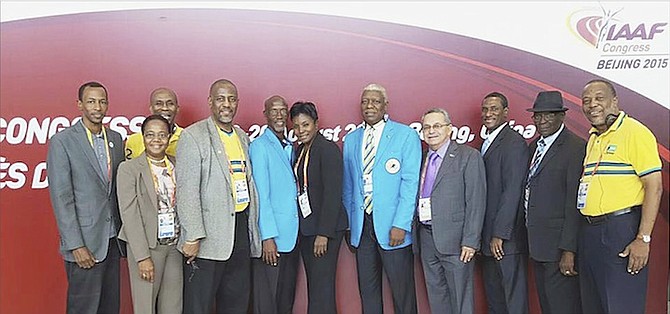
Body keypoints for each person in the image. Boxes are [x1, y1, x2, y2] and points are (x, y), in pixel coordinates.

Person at [176, 79, 262, 314]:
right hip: (207, 239)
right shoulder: (194, 136)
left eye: (232, 99)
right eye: (221, 98)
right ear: (210, 102)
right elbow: (187, 190)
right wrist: (192, 236)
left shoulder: (242, 136)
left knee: (236, 303)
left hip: (240, 233)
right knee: (199, 305)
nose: (227, 104)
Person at [578, 79, 662, 314]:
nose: (592, 105)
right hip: (590, 231)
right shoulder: (594, 138)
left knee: (621, 305)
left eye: (599, 98)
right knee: (594, 305)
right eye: (586, 101)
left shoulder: (635, 132)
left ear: (615, 101)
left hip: (620, 231)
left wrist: (643, 239)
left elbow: (654, 187)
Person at [47, 81, 125, 314]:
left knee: (110, 307)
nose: (97, 107)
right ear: (79, 104)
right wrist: (76, 245)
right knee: (84, 309)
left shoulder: (116, 138)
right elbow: (62, 197)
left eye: (102, 101)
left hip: (112, 242)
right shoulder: (63, 141)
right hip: (84, 244)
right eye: (91, 101)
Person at [343, 83, 421, 314]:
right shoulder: (351, 139)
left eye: (375, 101)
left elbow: (410, 184)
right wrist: (350, 224)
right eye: (365, 101)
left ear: (385, 105)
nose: (370, 106)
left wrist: (401, 224)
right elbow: (348, 186)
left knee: (402, 293)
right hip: (363, 227)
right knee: (368, 293)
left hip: (393, 228)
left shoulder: (405, 135)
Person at [413, 108, 486, 314]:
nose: (431, 131)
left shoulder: (468, 156)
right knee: (437, 297)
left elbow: (476, 202)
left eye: (437, 126)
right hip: (426, 237)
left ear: (449, 129)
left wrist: (471, 241)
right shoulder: (421, 157)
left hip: (456, 241)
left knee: (461, 300)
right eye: (426, 127)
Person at [524, 91, 584, 314]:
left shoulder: (575, 148)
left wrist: (569, 250)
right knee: (547, 305)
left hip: (559, 247)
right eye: (537, 116)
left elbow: (573, 202)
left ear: (562, 116)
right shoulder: (533, 147)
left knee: (563, 306)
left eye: (548, 115)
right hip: (537, 244)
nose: (542, 121)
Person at [117, 114, 183, 314]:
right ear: (143, 137)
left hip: (174, 247)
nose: (156, 140)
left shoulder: (178, 164)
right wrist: (142, 257)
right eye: (150, 135)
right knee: (145, 307)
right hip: (147, 246)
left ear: (170, 137)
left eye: (162, 135)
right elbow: (129, 215)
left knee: (173, 307)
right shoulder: (129, 169)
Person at [289, 101, 348, 313]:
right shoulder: (301, 150)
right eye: (296, 126)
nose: (300, 130)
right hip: (308, 228)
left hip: (325, 231)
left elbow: (333, 194)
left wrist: (323, 234)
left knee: (322, 287)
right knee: (315, 285)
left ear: (316, 123)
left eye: (305, 125)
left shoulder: (327, 149)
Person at [479, 91, 529, 314]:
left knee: (512, 299)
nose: (488, 114)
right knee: (495, 298)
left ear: (506, 113)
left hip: (505, 239)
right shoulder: (488, 141)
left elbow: (513, 190)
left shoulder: (513, 142)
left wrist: (500, 233)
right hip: (488, 237)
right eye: (485, 109)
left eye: (494, 109)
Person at [249, 95, 300, 314]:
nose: (279, 115)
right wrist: (267, 237)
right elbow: (261, 194)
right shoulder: (260, 146)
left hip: (292, 235)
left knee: (285, 299)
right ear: (265, 114)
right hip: (273, 239)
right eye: (274, 110)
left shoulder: (289, 145)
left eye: (282, 111)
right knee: (267, 301)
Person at [125, 87, 182, 159]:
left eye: (170, 104)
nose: (165, 108)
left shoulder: (187, 138)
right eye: (159, 104)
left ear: (177, 109)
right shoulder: (134, 140)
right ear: (151, 109)